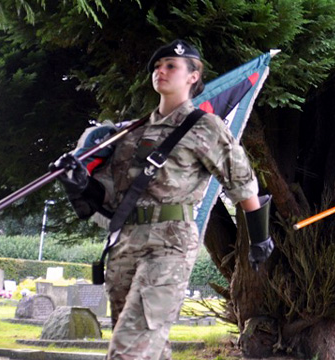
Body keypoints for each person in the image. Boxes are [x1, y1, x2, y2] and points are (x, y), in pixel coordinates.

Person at [48, 39, 275, 359]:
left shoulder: (204, 126)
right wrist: (77, 176)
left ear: (193, 76)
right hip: (125, 242)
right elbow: (109, 197)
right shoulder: (129, 134)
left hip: (170, 241)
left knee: (131, 345)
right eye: (157, 65)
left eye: (171, 65)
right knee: (145, 345)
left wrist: (260, 239)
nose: (161, 70)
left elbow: (241, 180)